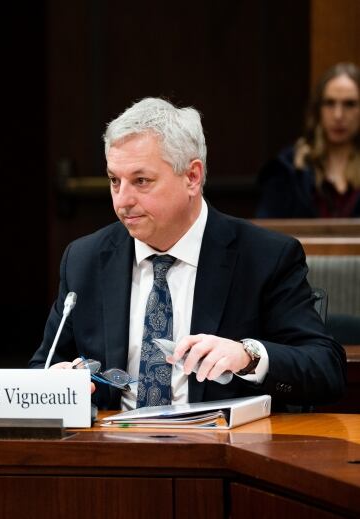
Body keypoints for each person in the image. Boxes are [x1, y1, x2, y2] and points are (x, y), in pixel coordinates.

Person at [30, 97, 346, 411]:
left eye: (141, 181)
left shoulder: (264, 257)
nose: (122, 200)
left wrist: (248, 356)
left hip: (220, 447)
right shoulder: (85, 260)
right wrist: (54, 383)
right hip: (112, 445)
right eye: (115, 180)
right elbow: (43, 368)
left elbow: (325, 368)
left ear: (192, 177)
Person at [257, 63, 360, 218]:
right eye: (329, 103)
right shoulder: (289, 167)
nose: (338, 115)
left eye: (349, 104)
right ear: (318, 109)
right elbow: (266, 230)